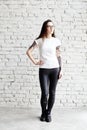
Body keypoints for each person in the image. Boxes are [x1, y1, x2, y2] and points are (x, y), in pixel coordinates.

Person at [26, 19, 62, 122]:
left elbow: (59, 56)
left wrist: (61, 70)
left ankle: (48, 113)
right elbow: (28, 51)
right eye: (49, 26)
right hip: (43, 70)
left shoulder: (56, 41)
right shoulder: (39, 40)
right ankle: (43, 112)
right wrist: (35, 62)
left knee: (52, 92)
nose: (51, 28)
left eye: (52, 26)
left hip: (55, 69)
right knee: (44, 93)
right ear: (44, 28)